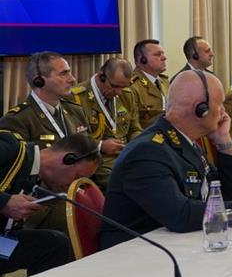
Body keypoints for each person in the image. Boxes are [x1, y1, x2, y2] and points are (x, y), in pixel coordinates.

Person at [101, 71, 232, 249]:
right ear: (201, 109)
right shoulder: (147, 152)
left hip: (176, 245)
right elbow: (179, 215)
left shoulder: (186, 142)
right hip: (135, 254)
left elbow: (227, 197)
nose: (224, 112)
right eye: (220, 104)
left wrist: (225, 145)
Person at [0, 132, 98, 274]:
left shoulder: (35, 178)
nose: (71, 185)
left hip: (2, 244)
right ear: (68, 159)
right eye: (76, 176)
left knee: (55, 244)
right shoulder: (10, 146)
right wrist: (5, 203)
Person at [70, 58, 142, 187]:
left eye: (123, 87)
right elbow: (73, 139)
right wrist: (100, 145)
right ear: (101, 76)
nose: (118, 92)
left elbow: (135, 129)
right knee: (131, 185)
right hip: (97, 162)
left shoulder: (127, 95)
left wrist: (135, 144)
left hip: (127, 157)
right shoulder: (77, 97)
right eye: (115, 86)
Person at [2, 52, 91, 150]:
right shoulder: (18, 119)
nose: (72, 79)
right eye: (63, 74)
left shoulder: (76, 111)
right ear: (39, 81)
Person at [129, 39, 170, 127]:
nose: (164, 58)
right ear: (142, 60)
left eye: (163, 54)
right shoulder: (132, 86)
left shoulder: (165, 82)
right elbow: (134, 127)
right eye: (158, 54)